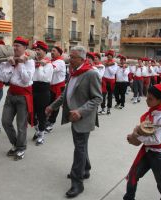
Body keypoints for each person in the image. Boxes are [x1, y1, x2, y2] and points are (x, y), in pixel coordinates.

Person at [45, 46, 102, 198]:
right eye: (70, 56)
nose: (70, 59)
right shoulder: (73, 72)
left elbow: (97, 98)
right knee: (81, 146)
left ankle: (77, 183)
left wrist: (80, 111)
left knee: (79, 149)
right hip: (73, 116)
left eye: (73, 57)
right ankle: (85, 169)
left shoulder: (91, 74)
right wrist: (52, 106)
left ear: (82, 59)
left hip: (82, 118)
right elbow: (65, 94)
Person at [124, 83, 161, 200]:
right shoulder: (152, 112)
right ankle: (128, 198)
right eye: (147, 96)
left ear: (160, 100)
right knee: (133, 175)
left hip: (159, 155)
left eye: (150, 99)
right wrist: (137, 130)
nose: (147, 100)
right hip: (148, 150)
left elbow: (157, 140)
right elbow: (146, 129)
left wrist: (137, 137)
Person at [0, 36, 35, 160]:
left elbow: (26, 80)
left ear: (25, 48)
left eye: (17, 46)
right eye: (13, 46)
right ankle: (16, 144)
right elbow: (4, 79)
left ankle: (21, 148)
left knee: (21, 125)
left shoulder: (30, 62)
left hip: (23, 96)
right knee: (5, 122)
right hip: (11, 94)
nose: (14, 48)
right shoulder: (9, 60)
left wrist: (20, 64)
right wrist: (10, 65)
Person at [31, 41, 53, 145]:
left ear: (44, 51)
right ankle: (37, 130)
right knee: (30, 113)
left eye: (38, 50)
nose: (36, 52)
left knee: (41, 114)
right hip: (32, 89)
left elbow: (42, 77)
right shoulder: (32, 62)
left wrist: (39, 66)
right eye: (35, 49)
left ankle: (41, 135)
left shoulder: (48, 64)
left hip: (43, 90)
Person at [45, 46, 66, 133]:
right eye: (51, 50)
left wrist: (44, 62)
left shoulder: (60, 62)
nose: (52, 52)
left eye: (54, 51)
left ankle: (51, 123)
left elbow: (53, 68)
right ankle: (47, 120)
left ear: (59, 53)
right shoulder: (52, 61)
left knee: (55, 106)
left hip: (58, 87)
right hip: (51, 86)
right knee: (49, 104)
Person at [99, 50, 117, 114]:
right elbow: (101, 70)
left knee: (109, 95)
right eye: (108, 56)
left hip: (111, 81)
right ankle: (103, 108)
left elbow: (113, 73)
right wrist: (105, 65)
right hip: (104, 80)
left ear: (112, 57)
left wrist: (108, 66)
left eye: (110, 56)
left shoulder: (115, 64)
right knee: (103, 95)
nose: (108, 57)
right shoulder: (104, 62)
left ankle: (108, 109)